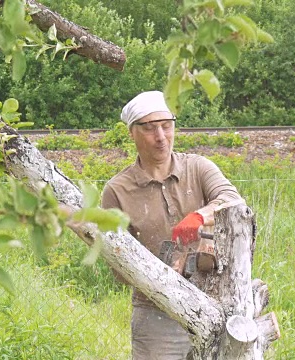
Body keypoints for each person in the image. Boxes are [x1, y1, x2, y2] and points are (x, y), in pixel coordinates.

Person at [101, 90, 243, 359]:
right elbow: (119, 270)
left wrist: (200, 216)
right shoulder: (117, 191)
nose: (161, 137)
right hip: (157, 313)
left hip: (215, 301)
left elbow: (234, 201)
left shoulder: (198, 168)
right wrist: (159, 271)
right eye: (151, 129)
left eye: (167, 126)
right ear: (132, 132)